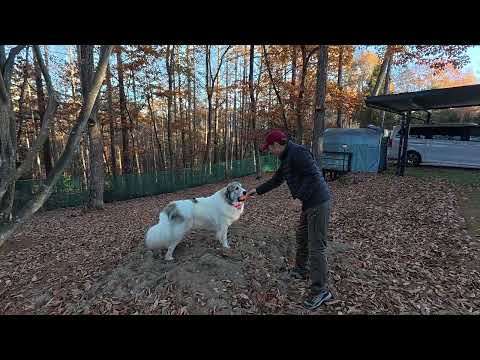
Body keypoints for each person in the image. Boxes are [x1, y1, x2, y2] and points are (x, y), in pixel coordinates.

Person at [246, 129, 332, 310]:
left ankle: (320, 291)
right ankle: (301, 269)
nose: (269, 151)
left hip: (317, 202)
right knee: (301, 236)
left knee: (317, 247)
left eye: (269, 148)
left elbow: (313, 175)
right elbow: (278, 179)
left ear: (277, 145)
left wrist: (299, 197)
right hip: (308, 204)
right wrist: (258, 190)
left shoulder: (298, 153)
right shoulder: (286, 157)